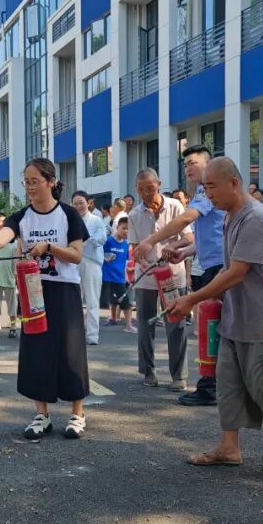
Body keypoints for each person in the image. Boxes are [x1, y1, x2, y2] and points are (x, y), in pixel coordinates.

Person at [166, 158, 263, 467]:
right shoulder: (231, 216)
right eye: (204, 188)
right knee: (228, 384)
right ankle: (229, 447)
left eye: (212, 187)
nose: (207, 194)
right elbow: (228, 264)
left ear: (233, 183)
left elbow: (237, 272)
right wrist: (188, 261)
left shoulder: (256, 219)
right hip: (236, 316)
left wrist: (192, 299)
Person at [0, 158, 90, 439]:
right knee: (37, 351)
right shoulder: (22, 216)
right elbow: (1, 237)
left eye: (36, 181)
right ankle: (42, 415)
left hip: (64, 290)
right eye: (27, 182)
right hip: (33, 289)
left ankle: (77, 414)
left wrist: (49, 247)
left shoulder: (69, 214)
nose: (30, 187)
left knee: (71, 351)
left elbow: (76, 255)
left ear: (51, 182)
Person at [134, 147, 223, 405]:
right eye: (185, 164)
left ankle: (206, 384)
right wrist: (183, 252)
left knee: (198, 326)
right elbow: (204, 238)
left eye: (193, 163)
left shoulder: (200, 196)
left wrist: (153, 241)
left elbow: (187, 224)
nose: (188, 168)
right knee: (211, 327)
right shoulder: (201, 194)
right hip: (193, 269)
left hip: (209, 270)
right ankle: (210, 384)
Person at [129, 168, 191, 391]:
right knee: (145, 325)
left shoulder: (175, 206)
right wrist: (144, 264)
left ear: (159, 184)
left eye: (150, 188)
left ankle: (179, 375)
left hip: (172, 275)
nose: (146, 193)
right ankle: (148, 371)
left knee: (176, 324)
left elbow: (189, 237)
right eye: (141, 190)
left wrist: (173, 245)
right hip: (146, 277)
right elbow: (135, 248)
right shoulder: (134, 214)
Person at [71, 190, 107, 345]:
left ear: (88, 203)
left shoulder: (96, 220)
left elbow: (102, 239)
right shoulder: (70, 220)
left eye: (81, 203)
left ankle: (92, 335)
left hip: (92, 262)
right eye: (75, 204)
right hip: (74, 262)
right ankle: (76, 334)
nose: (79, 206)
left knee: (92, 300)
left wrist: (87, 239)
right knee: (75, 301)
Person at [102, 216, 135, 332]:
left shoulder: (126, 244)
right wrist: (105, 257)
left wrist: (127, 277)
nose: (126, 231)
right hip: (107, 277)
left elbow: (125, 263)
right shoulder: (108, 241)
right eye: (124, 228)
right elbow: (100, 254)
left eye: (128, 229)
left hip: (120, 278)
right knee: (112, 300)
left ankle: (128, 325)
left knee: (125, 302)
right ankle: (113, 319)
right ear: (117, 227)